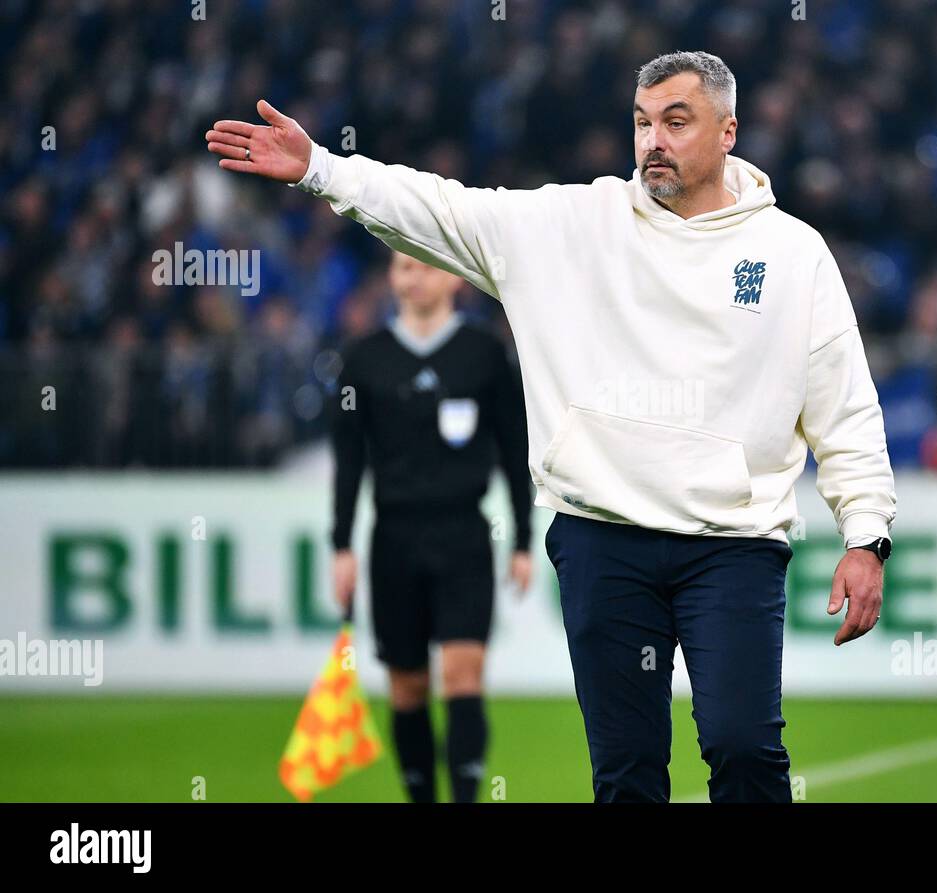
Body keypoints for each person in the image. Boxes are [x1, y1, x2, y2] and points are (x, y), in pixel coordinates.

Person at [206, 50, 897, 803]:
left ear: (728, 131)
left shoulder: (793, 254)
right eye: (641, 122)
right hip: (604, 536)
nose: (652, 141)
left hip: (732, 546)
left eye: (675, 121)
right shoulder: (572, 224)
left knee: (743, 746)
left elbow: (844, 406)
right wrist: (323, 170)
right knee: (626, 774)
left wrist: (866, 534)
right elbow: (441, 208)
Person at [331, 250, 533, 803]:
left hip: (463, 536)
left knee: (463, 674)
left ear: (451, 277)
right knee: (408, 686)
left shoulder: (485, 355)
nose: (411, 276)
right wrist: (341, 545)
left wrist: (520, 540)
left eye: (421, 265)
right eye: (401, 267)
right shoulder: (364, 359)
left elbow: (516, 452)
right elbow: (349, 460)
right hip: (394, 538)